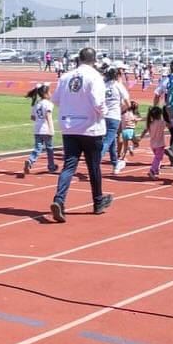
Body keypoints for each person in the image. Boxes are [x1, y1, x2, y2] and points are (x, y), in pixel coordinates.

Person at [49, 48, 114, 222]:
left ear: (79, 59)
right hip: (90, 127)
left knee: (69, 165)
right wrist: (104, 113)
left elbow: (55, 100)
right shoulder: (95, 77)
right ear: (94, 60)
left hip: (69, 127)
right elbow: (98, 102)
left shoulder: (65, 77)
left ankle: (59, 199)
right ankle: (98, 201)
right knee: (93, 167)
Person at [100, 63, 131, 175]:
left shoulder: (103, 85)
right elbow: (128, 102)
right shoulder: (118, 85)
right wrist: (122, 109)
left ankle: (115, 164)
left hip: (103, 116)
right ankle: (96, 160)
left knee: (112, 141)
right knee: (108, 141)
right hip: (114, 116)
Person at [22, 83, 58, 176]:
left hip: (37, 129)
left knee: (37, 148)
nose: (51, 93)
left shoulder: (36, 104)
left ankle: (30, 160)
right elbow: (48, 116)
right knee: (49, 149)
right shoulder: (48, 104)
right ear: (46, 94)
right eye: (49, 91)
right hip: (46, 129)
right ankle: (51, 166)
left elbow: (33, 117)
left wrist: (39, 118)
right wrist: (51, 129)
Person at [142, 106, 170, 180]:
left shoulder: (150, 123)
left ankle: (156, 170)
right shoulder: (162, 122)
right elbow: (170, 126)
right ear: (159, 114)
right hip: (160, 144)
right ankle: (152, 170)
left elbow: (144, 131)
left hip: (152, 144)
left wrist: (140, 137)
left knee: (157, 158)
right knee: (158, 158)